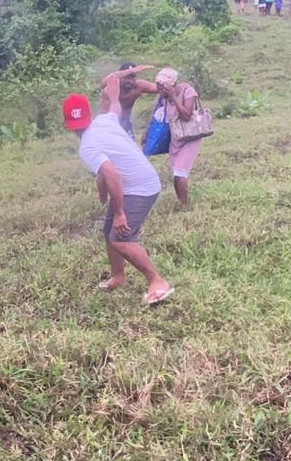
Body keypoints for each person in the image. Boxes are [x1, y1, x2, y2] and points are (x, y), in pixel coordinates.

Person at [62, 81, 173, 304]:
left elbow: (111, 174)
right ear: (89, 115)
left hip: (140, 188)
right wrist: (111, 92)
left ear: (67, 125)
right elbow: (114, 105)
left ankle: (157, 282)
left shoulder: (87, 147)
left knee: (121, 239)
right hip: (137, 182)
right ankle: (118, 276)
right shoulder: (104, 121)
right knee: (109, 232)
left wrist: (120, 212)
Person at [153, 68, 205, 207]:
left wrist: (174, 97)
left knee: (179, 173)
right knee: (176, 173)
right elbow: (157, 115)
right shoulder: (163, 97)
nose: (159, 91)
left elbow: (186, 115)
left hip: (190, 137)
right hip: (176, 138)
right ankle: (181, 202)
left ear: (170, 85)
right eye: (158, 88)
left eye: (161, 88)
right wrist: (147, 133)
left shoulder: (188, 91)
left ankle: (184, 205)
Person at [100, 63, 157, 137]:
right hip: (106, 124)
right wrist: (130, 71)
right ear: (119, 77)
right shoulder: (111, 87)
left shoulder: (138, 86)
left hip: (125, 124)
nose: (129, 81)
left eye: (132, 78)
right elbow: (105, 82)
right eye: (126, 77)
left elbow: (160, 88)